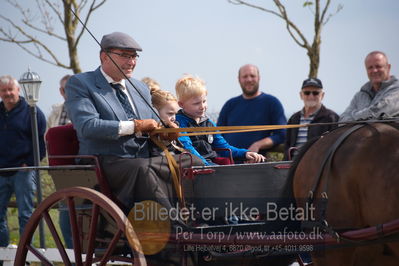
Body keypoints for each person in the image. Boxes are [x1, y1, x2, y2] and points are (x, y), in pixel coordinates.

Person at [65, 32, 202, 213]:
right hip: (106, 161)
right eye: (124, 56)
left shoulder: (140, 88)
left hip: (144, 159)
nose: (131, 62)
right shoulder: (81, 83)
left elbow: (153, 125)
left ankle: (199, 217)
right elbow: (87, 126)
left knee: (194, 162)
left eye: (134, 56)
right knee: (143, 170)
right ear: (104, 56)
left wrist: (166, 133)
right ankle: (171, 226)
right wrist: (135, 126)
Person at [175, 74, 265, 165]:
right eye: (196, 103)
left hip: (211, 165)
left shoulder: (209, 124)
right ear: (181, 104)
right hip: (194, 167)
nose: (202, 107)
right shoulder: (179, 124)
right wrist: (207, 165)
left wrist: (245, 153)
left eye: (204, 101)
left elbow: (224, 147)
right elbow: (187, 148)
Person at [0, 75, 46, 247]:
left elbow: (41, 142)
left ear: (18, 90)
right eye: (3, 90)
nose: (7, 93)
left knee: (26, 215)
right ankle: (3, 254)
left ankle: (26, 254)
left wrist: (30, 163)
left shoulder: (32, 112)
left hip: (23, 171)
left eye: (10, 89)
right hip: (1, 171)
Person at [217, 64, 287, 155]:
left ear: (259, 78)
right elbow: (218, 134)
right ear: (239, 79)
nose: (249, 79)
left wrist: (258, 145)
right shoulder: (230, 104)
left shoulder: (272, 103)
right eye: (245, 76)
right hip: (228, 161)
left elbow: (282, 134)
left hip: (255, 163)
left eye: (252, 76)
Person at [46, 74, 73, 249]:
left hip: (81, 166)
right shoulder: (56, 112)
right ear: (61, 92)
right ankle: (71, 251)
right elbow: (47, 137)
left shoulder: (85, 108)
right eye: (65, 90)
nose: (68, 93)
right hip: (61, 170)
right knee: (65, 213)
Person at [284, 78, 339, 160]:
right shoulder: (294, 118)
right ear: (301, 95)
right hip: (292, 165)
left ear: (322, 95)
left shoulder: (331, 118)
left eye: (315, 93)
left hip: (318, 166)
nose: (311, 96)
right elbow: (287, 145)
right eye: (307, 93)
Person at [340, 51, 399, 122]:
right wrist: (364, 116)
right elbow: (342, 120)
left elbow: (377, 113)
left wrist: (353, 115)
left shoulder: (397, 90)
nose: (374, 70)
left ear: (388, 67)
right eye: (370, 67)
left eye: (378, 66)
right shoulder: (359, 95)